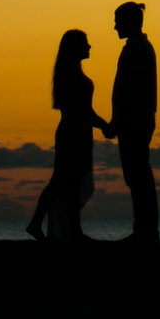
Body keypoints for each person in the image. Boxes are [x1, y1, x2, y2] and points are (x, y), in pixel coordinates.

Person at [24, 28, 106, 242]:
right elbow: (82, 111)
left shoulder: (70, 73)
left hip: (76, 132)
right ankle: (54, 227)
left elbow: (85, 110)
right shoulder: (72, 76)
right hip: (73, 133)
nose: (89, 47)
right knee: (65, 181)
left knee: (68, 182)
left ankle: (65, 228)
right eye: (85, 43)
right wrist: (104, 125)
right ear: (75, 47)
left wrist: (101, 124)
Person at [111, 1, 159, 243]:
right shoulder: (138, 47)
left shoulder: (136, 49)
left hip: (134, 121)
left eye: (118, 21)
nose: (115, 27)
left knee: (137, 176)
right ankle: (145, 229)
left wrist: (116, 120)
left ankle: (145, 231)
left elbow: (127, 91)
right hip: (136, 119)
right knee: (137, 176)